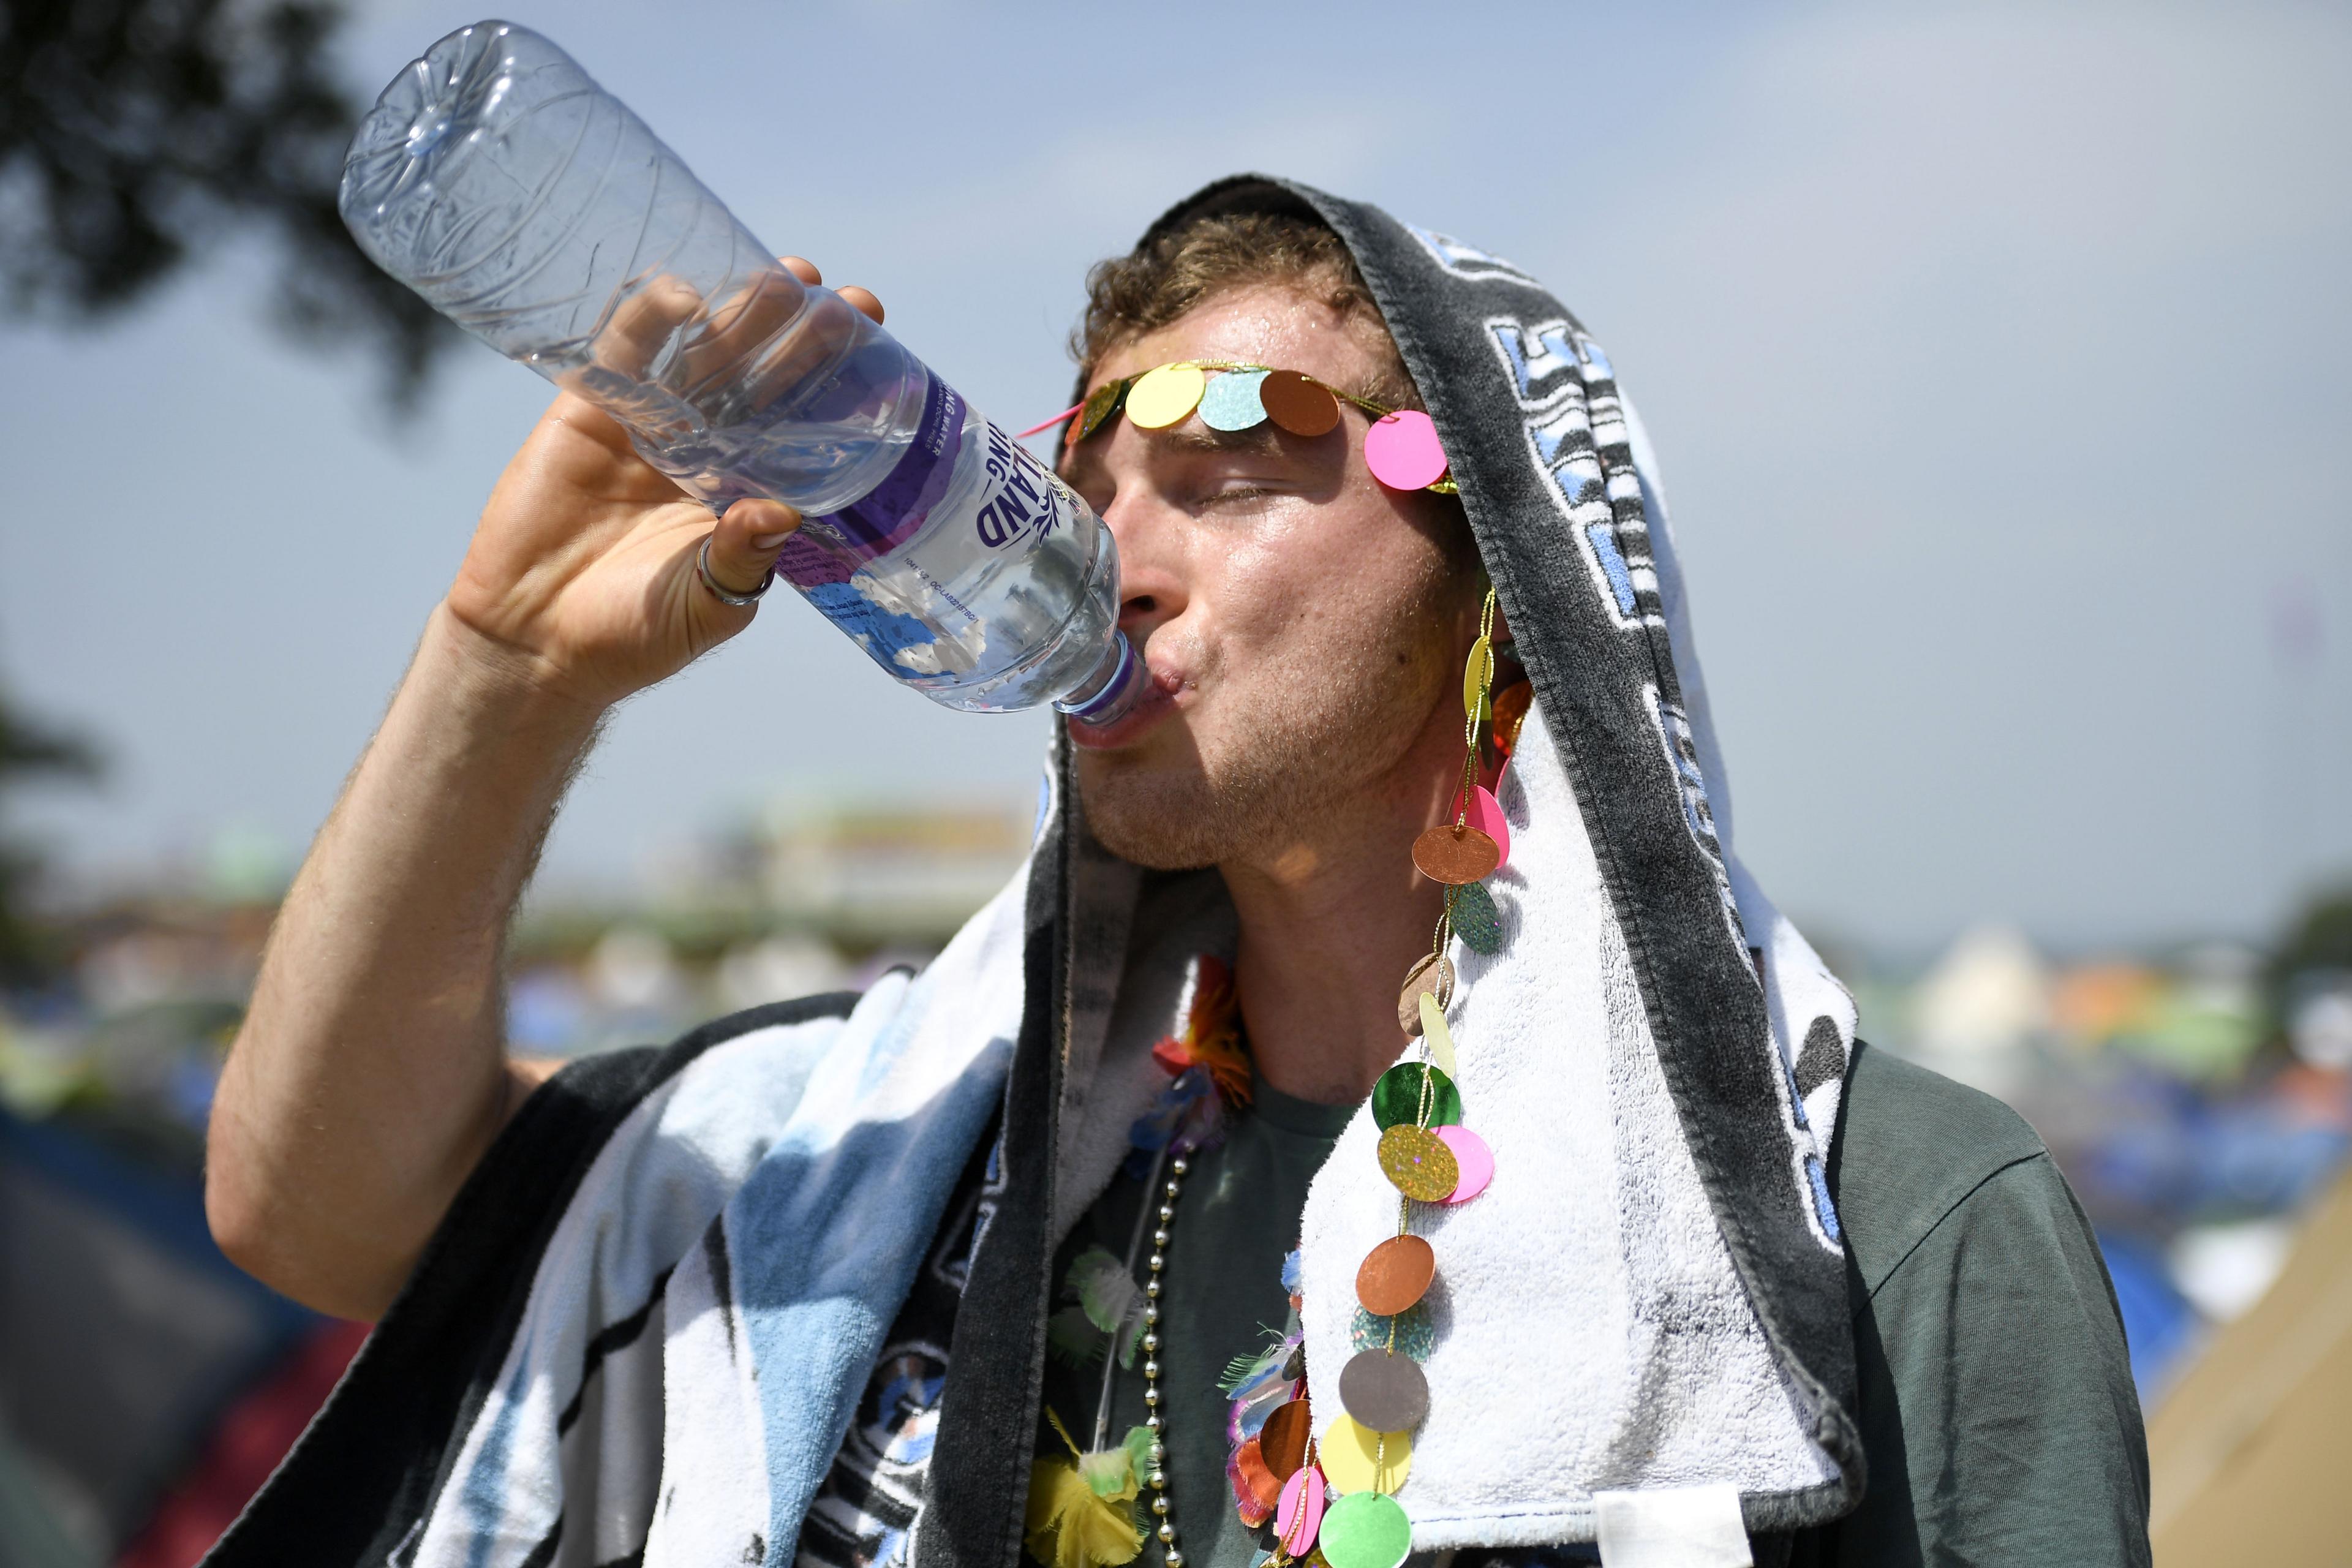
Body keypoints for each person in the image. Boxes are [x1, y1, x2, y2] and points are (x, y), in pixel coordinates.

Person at [203, 177, 2150, 1568]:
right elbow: (322, 1209)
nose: (1107, 566)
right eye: (1084, 496)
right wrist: (509, 669)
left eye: (1221, 477)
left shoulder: (1876, 1225)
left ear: (1504, 569)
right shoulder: (924, 1145)